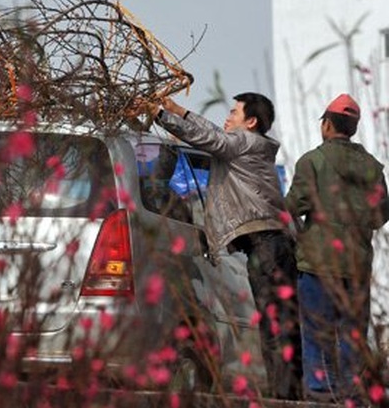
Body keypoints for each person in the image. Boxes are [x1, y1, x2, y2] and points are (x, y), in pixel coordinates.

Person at [146, 92, 303, 400]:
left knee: (276, 326)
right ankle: (286, 395)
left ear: (251, 122)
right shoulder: (244, 149)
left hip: (268, 244)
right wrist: (174, 112)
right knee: (277, 325)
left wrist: (164, 114)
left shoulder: (248, 144)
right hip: (268, 244)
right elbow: (212, 139)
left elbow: (211, 138)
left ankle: (285, 398)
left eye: (234, 112)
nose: (227, 118)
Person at [284, 93, 389, 404]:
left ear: (327, 125)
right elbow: (381, 214)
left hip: (318, 265)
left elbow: (291, 206)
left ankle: (320, 395)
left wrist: (302, 236)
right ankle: (351, 397)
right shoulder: (373, 168)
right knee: (351, 337)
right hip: (356, 267)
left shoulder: (312, 161)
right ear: (352, 128)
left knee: (317, 334)